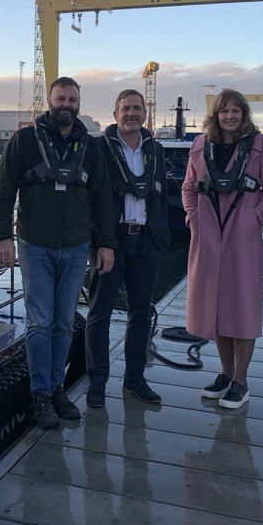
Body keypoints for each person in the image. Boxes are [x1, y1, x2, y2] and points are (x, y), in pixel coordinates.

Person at [0, 77, 116, 429]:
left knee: (63, 324)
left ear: (79, 103)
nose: (66, 104)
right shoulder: (25, 140)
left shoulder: (91, 147)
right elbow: (3, 189)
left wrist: (105, 242)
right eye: (60, 98)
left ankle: (57, 388)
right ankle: (40, 395)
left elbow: (102, 199)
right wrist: (2, 236)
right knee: (39, 322)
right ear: (49, 101)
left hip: (76, 248)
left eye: (72, 99)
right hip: (35, 247)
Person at [182, 89, 263, 409]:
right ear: (215, 115)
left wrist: (256, 220)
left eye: (235, 111)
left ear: (244, 114)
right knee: (215, 306)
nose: (229, 116)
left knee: (242, 306)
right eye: (223, 111)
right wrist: (192, 217)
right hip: (207, 234)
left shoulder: (261, 143)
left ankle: (241, 380)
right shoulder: (200, 144)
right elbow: (187, 186)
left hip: (243, 236)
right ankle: (225, 374)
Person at [85, 89, 172, 409]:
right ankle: (97, 380)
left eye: (137, 108)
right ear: (115, 114)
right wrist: (99, 241)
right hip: (111, 241)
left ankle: (134, 379)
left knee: (141, 312)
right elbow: (90, 197)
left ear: (145, 114)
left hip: (147, 239)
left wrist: (160, 234)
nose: (132, 114)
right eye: (126, 109)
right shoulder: (98, 148)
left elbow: (161, 193)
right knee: (99, 313)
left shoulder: (157, 150)